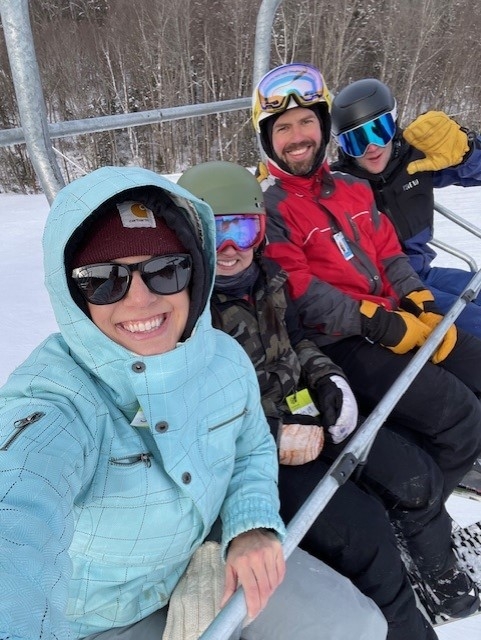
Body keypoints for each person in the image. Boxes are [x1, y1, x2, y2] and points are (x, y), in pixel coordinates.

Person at [0, 165, 388, 640]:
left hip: (206, 555)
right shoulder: (58, 401)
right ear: (71, 293)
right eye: (102, 279)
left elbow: (249, 449)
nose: (141, 300)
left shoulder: (223, 357)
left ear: (193, 272)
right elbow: (16, 513)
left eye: (166, 270)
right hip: (95, 619)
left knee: (360, 625)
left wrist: (249, 525)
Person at [178, 159, 479, 635]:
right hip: (257, 452)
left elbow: (299, 340)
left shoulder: (269, 278)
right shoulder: (184, 309)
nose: (231, 247)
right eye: (214, 232)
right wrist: (274, 432)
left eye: (243, 227)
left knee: (416, 478)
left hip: (308, 413)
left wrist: (327, 379)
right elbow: (189, 409)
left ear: (260, 230)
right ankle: (404, 627)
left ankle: (437, 579)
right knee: (365, 535)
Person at [252, 62, 481, 516]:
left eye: (306, 122)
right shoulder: (269, 207)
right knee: (459, 416)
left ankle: (438, 487)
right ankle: (420, 518)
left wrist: (417, 299)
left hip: (393, 311)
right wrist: (380, 322)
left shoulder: (353, 188)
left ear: (321, 130)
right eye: (283, 128)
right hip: (347, 335)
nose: (297, 136)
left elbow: (391, 254)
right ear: (268, 141)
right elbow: (298, 287)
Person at [330, 78, 481, 338]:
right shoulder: (337, 185)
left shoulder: (415, 159)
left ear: (394, 123)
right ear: (341, 146)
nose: (372, 147)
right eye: (356, 141)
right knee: (474, 323)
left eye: (379, 130)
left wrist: (467, 150)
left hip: (425, 271)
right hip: (393, 288)